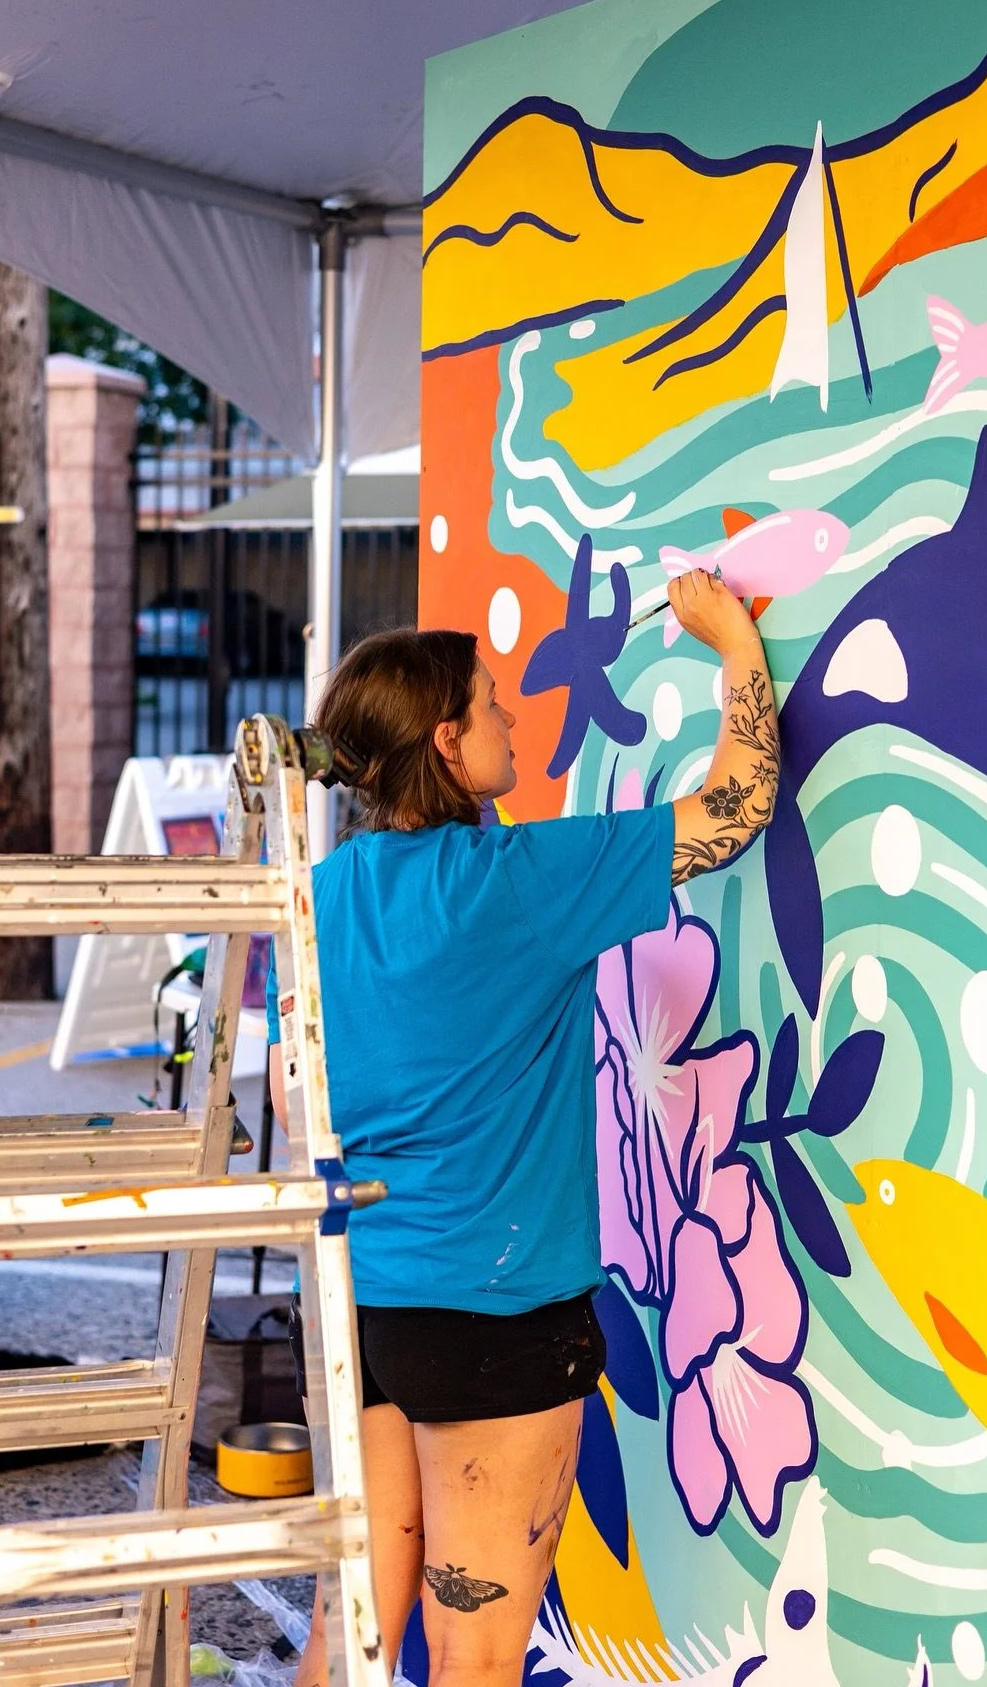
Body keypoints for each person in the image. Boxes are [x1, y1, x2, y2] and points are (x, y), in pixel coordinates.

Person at [266, 568, 778, 1687]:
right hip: (495, 1322)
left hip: (365, 1307)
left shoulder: (315, 897)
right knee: (476, 1657)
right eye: (491, 705)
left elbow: (286, 1093)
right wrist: (733, 643)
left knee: (345, 1638)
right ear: (447, 744)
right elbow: (735, 808)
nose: (512, 720)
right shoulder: (515, 881)